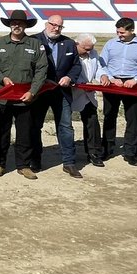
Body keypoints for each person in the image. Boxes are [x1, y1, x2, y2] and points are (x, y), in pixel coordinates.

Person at [0, 9, 48, 181]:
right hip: (3, 98)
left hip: (26, 98)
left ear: (26, 25)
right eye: (14, 23)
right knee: (1, 132)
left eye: (20, 23)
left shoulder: (35, 44)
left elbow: (42, 70)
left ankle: (23, 165)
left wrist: (33, 91)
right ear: (9, 25)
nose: (17, 25)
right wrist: (2, 78)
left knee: (25, 133)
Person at [99, 17, 137, 166]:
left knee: (133, 119)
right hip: (113, 84)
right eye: (118, 32)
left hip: (133, 84)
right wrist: (111, 78)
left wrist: (136, 80)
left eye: (123, 32)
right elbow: (101, 64)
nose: (119, 35)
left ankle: (130, 152)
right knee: (109, 116)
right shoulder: (110, 44)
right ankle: (107, 149)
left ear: (132, 30)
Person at [32, 14, 84, 179]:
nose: (56, 28)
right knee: (35, 126)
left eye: (60, 26)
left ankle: (69, 162)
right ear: (46, 24)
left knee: (66, 127)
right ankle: (35, 159)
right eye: (53, 25)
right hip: (40, 92)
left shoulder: (68, 43)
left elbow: (76, 65)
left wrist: (69, 77)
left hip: (61, 92)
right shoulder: (33, 40)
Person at [71, 33, 106, 168]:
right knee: (66, 126)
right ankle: (68, 153)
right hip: (72, 93)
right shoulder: (69, 53)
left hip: (89, 95)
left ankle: (94, 153)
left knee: (92, 123)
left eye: (91, 48)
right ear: (77, 44)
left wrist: (102, 75)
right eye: (85, 48)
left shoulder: (93, 53)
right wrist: (82, 85)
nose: (88, 51)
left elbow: (98, 67)